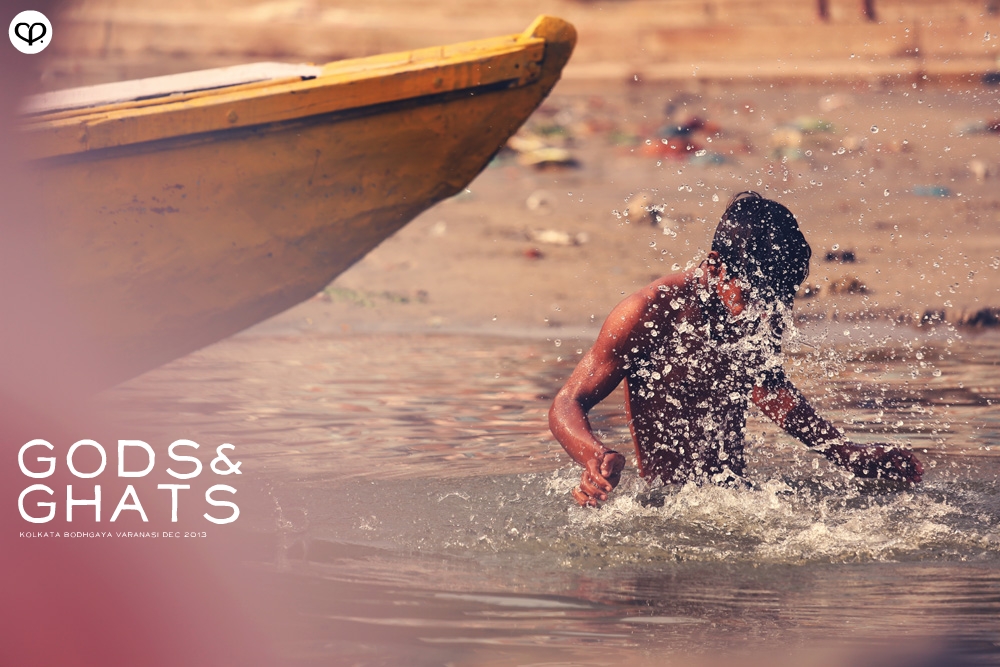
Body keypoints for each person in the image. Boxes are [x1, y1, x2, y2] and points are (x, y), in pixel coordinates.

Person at [549, 191, 923, 507]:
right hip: (664, 506)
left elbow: (770, 389)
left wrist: (845, 453)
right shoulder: (650, 312)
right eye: (752, 296)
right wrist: (595, 456)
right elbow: (567, 402)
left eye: (775, 300)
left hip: (735, 501)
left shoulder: (761, 310)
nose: (763, 312)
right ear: (716, 266)